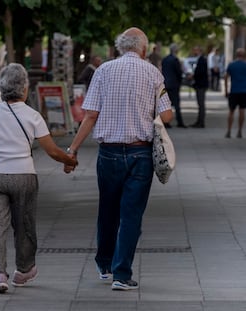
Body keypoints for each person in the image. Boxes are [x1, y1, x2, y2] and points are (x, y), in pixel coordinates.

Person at [64, 27, 173, 291]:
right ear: (143, 49)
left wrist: (73, 150)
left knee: (108, 210)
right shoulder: (153, 73)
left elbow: (89, 115)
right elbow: (166, 115)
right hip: (139, 153)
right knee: (131, 214)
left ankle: (105, 265)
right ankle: (122, 275)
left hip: (109, 153)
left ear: (119, 47)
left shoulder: (103, 71)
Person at [0, 63, 78, 294]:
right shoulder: (33, 116)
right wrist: (69, 161)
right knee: (24, 225)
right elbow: (51, 150)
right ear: (24, 88)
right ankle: (24, 270)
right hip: (24, 175)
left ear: (1, 87)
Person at [162, 43, 186, 128]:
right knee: (177, 105)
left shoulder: (164, 59)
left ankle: (166, 122)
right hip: (174, 84)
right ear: (175, 50)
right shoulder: (175, 60)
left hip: (166, 84)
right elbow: (179, 72)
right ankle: (180, 122)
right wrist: (180, 82)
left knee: (166, 105)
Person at [224, 48, 246, 138]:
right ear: (244, 55)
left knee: (231, 111)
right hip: (244, 91)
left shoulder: (231, 65)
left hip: (234, 91)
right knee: (242, 111)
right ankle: (240, 131)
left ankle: (229, 130)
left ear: (236, 55)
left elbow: (226, 77)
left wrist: (226, 90)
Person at [190, 46, 208, 128]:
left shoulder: (202, 60)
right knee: (200, 104)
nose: (194, 51)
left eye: (195, 50)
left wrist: (193, 75)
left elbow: (200, 72)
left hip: (201, 85)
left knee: (201, 104)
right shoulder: (199, 59)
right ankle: (199, 121)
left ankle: (201, 122)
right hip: (199, 85)